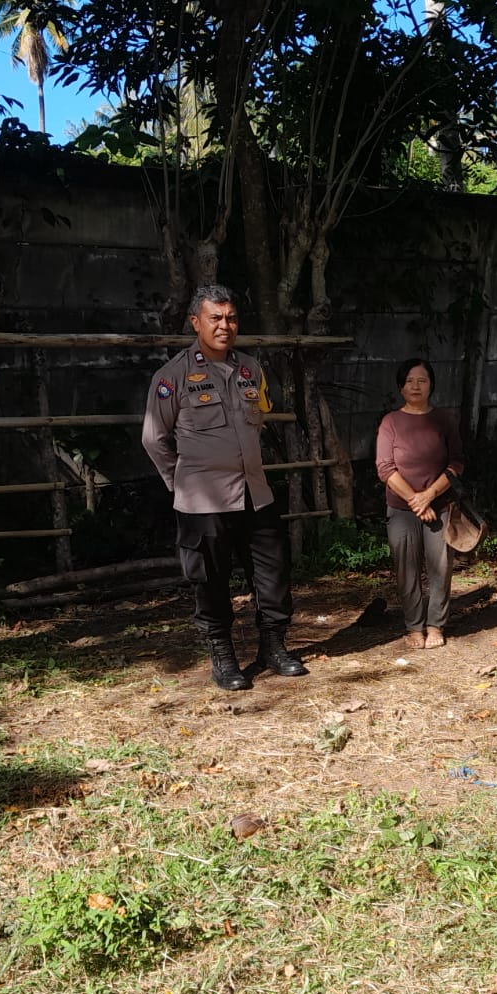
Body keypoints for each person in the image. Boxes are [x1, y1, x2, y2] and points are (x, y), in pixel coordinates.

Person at [141, 284, 308, 691]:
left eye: (231, 317)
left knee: (272, 575)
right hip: (203, 501)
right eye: (215, 318)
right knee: (210, 581)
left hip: (255, 493)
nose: (224, 325)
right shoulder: (172, 376)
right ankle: (223, 656)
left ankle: (273, 647)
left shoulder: (251, 369)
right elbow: (153, 439)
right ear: (196, 322)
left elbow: (259, 420)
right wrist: (181, 483)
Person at [375, 358, 465, 649]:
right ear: (401, 386)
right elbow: (385, 468)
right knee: (406, 568)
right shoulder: (390, 422)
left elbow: (457, 462)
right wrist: (416, 500)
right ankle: (414, 626)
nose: (416, 386)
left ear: (431, 385)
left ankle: (436, 625)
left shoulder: (444, 419)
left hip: (440, 505)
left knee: (440, 566)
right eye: (410, 381)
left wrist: (429, 496)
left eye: (422, 380)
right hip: (401, 508)